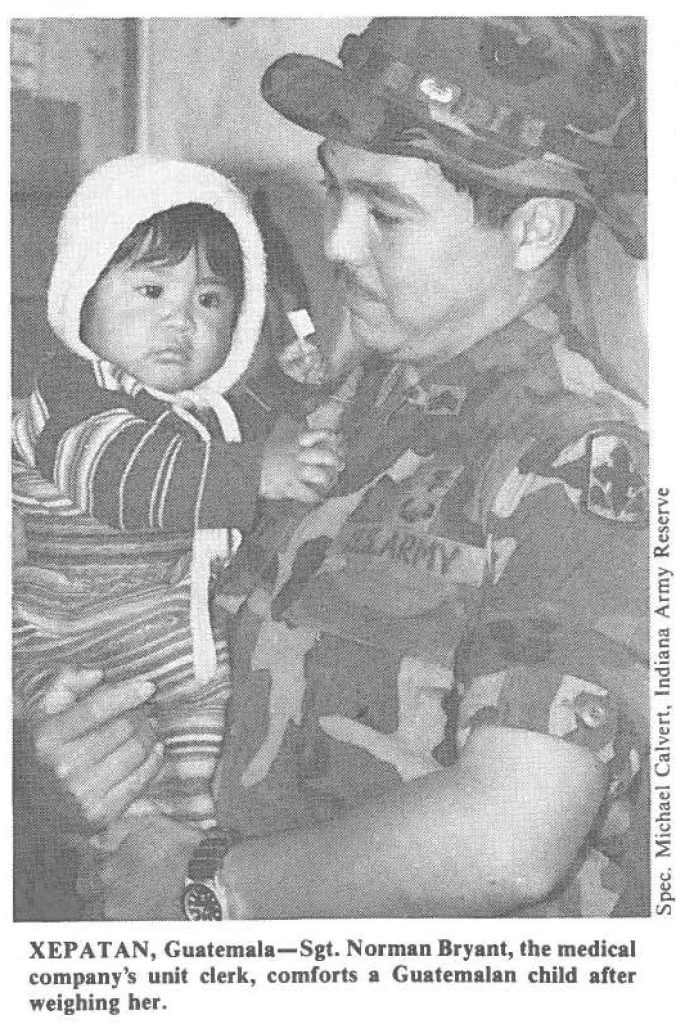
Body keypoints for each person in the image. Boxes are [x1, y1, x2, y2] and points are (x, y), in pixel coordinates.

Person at [23, 16, 649, 920]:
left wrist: (209, 891)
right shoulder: (317, 411)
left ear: (536, 229)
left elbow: (511, 837)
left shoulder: (586, 456)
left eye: (385, 212)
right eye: (335, 196)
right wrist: (55, 764)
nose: (340, 244)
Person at [12, 154, 343, 916]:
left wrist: (291, 388)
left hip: (180, 662)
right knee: (114, 818)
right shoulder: (68, 394)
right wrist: (257, 469)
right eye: (151, 290)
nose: (182, 320)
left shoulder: (208, 414)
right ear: (82, 294)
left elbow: (244, 436)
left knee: (189, 819)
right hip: (84, 653)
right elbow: (131, 479)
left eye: (213, 300)